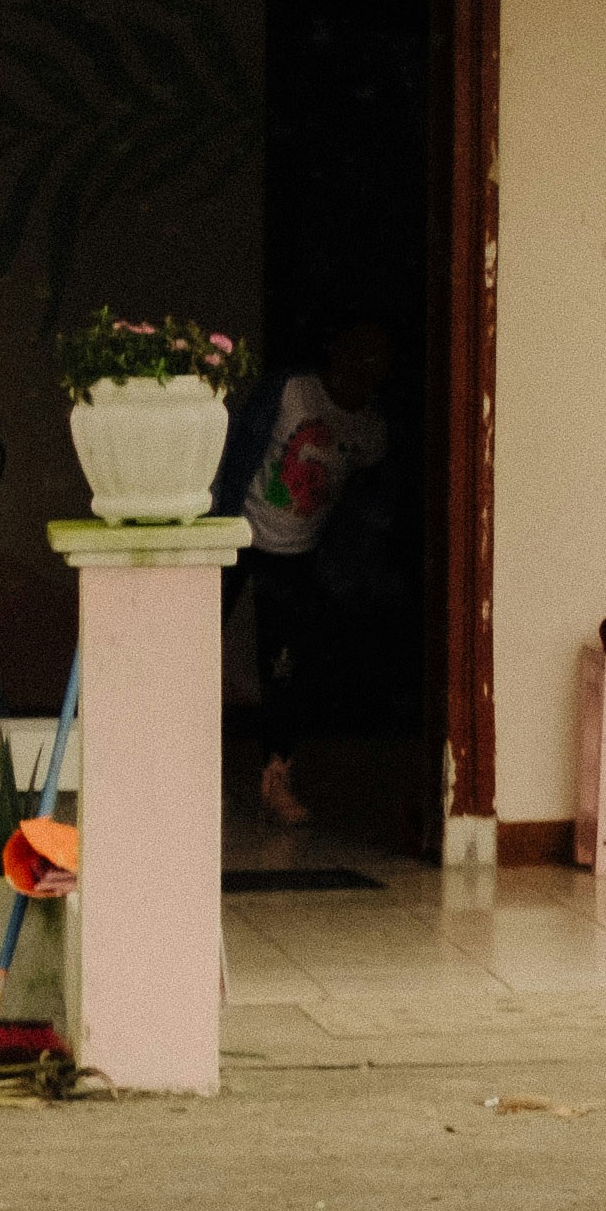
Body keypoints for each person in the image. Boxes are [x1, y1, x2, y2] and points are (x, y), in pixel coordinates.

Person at [234, 320, 401, 833]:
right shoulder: (292, 391)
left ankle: (276, 779)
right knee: (191, 643)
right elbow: (238, 442)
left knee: (283, 669)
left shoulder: (371, 431)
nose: (362, 373)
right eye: (357, 357)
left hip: (299, 554)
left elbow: (364, 507)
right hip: (238, 532)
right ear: (334, 351)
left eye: (376, 363)